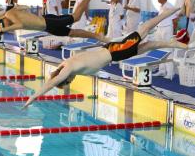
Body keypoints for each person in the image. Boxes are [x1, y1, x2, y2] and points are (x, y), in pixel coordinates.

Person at [23, 6, 186, 108]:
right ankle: (173, 43)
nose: (71, 81)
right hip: (111, 51)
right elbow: (55, 77)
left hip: (115, 51)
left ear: (65, 79)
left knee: (144, 29)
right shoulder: (66, 63)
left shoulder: (68, 69)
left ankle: (168, 13)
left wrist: (33, 98)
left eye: (68, 81)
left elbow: (51, 82)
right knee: (149, 46)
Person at [0, 0, 105, 42]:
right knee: (72, 33)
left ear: (4, 21)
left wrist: (5, 28)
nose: (6, 27)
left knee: (76, 17)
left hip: (48, 21)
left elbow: (20, 24)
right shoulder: (8, 17)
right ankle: (98, 36)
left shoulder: (9, 14)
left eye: (5, 26)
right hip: (48, 27)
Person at [154, 0, 176, 78]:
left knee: (168, 51)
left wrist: (173, 32)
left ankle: (170, 72)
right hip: (160, 28)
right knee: (160, 50)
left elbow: (175, 20)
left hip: (167, 29)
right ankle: (162, 70)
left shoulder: (169, 6)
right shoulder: (161, 6)